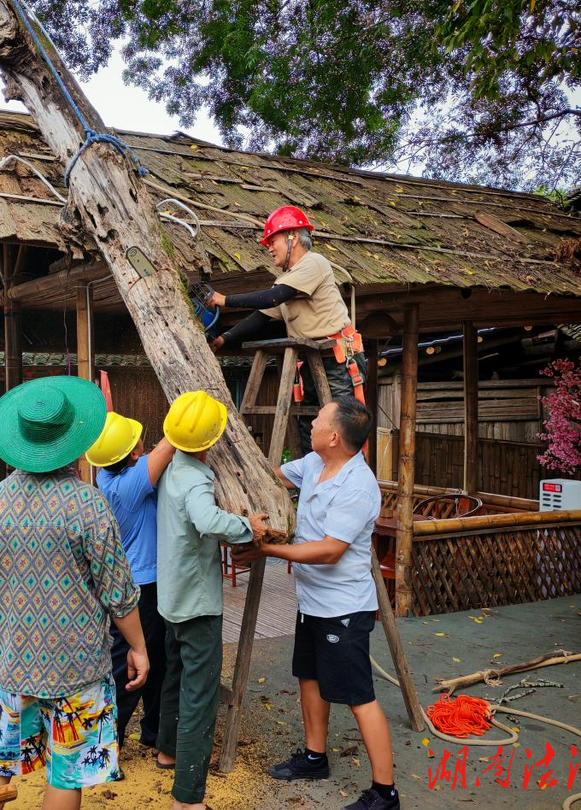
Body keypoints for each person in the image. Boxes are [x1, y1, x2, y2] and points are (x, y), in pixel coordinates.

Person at [0, 377, 150, 810]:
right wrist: (138, 647)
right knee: (67, 771)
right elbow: (118, 593)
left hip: (14, 658)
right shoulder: (88, 504)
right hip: (76, 662)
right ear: (74, 440)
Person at [235, 397, 398, 810]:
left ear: (335, 436)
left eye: (319, 420)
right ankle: (314, 757)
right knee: (309, 677)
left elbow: (329, 551)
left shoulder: (358, 486)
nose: (311, 424)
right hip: (311, 602)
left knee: (359, 696)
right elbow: (270, 477)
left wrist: (269, 551)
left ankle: (384, 793)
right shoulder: (312, 464)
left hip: (343, 608)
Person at [154, 391, 270, 810]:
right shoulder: (199, 479)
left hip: (171, 596)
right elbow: (206, 520)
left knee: (174, 676)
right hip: (197, 602)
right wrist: (247, 526)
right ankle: (187, 798)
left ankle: (167, 750)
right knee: (199, 694)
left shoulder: (171, 468)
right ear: (210, 441)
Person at [204, 206, 366, 454]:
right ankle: (309, 484)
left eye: (273, 240)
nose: (268, 248)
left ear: (293, 237)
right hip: (314, 361)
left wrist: (224, 300)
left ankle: (343, 486)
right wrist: (226, 339)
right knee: (311, 426)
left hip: (338, 360)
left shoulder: (314, 263)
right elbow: (261, 317)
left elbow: (272, 298)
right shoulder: (290, 279)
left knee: (340, 428)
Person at [86, 412, 176, 751]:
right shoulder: (132, 482)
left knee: (157, 657)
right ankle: (107, 738)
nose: (144, 442)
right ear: (135, 454)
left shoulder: (107, 477)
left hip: (132, 581)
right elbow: (173, 440)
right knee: (129, 665)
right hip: (143, 587)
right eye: (138, 440)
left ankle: (153, 729)